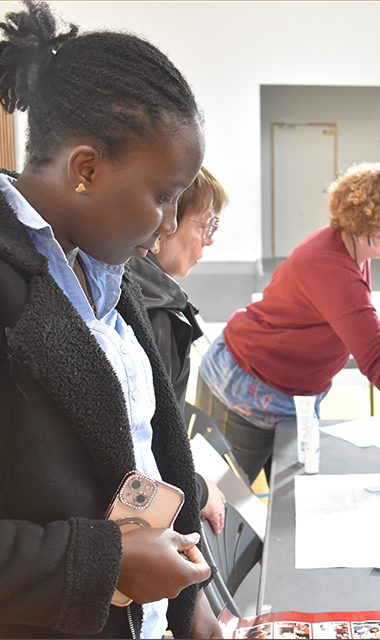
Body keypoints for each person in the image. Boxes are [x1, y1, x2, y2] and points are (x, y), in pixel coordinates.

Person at [0, 1, 220, 637]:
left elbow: (137, 447)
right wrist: (102, 566)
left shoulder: (109, 271)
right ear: (85, 168)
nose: (169, 225)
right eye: (163, 197)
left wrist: (185, 604)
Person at [197, 162, 380, 483]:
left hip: (294, 392)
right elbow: (379, 358)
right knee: (225, 497)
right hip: (246, 385)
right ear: (371, 218)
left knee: (293, 493)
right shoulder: (331, 265)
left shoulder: (353, 248)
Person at [128, 167, 228, 534]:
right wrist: (197, 490)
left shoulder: (140, 290)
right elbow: (151, 440)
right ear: (164, 223)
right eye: (206, 226)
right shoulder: (156, 312)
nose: (209, 240)